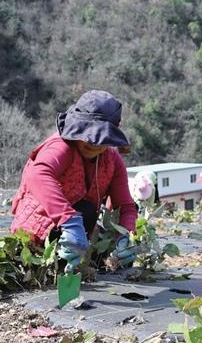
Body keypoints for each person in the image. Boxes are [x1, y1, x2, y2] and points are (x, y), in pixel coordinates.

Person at [10, 90, 138, 272]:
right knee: (82, 211)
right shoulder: (61, 146)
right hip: (37, 234)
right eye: (88, 135)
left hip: (79, 235)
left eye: (100, 139)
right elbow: (38, 174)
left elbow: (125, 206)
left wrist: (126, 235)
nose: (93, 144)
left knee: (111, 256)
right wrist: (68, 220)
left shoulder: (112, 161)